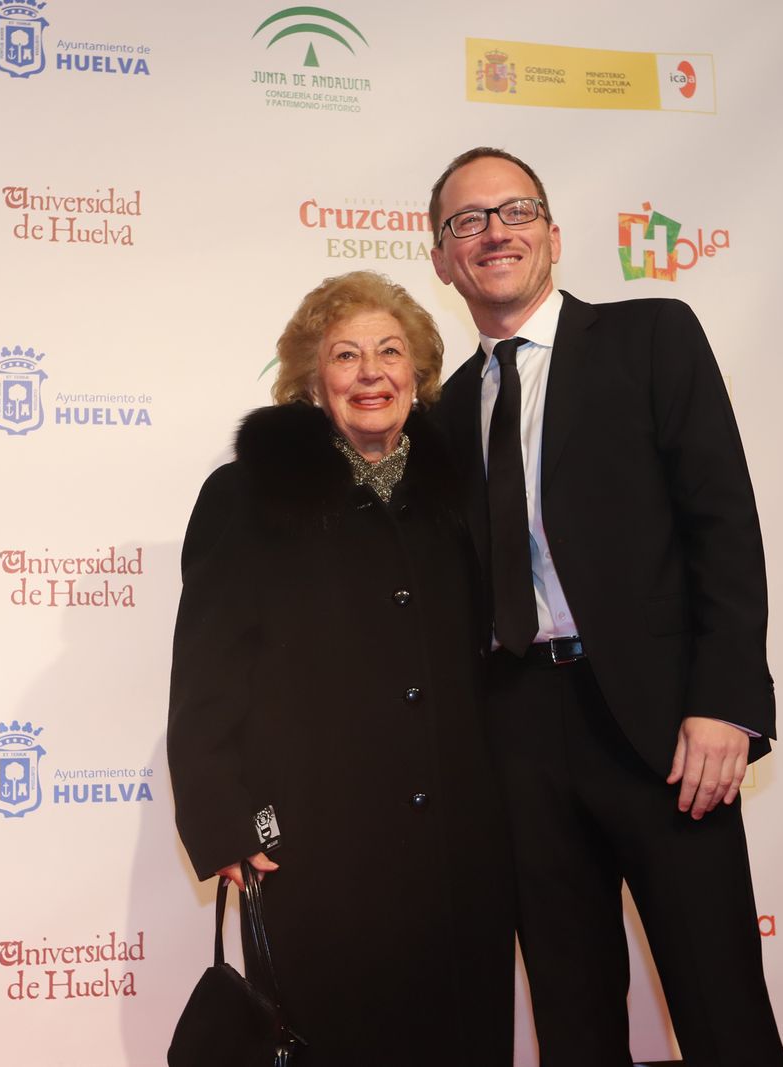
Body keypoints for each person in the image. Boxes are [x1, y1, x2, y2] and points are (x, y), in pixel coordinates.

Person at [426, 147, 783, 1065]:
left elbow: (724, 524)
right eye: (467, 221)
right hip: (517, 738)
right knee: (573, 1020)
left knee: (723, 1013)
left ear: (553, 234)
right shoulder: (444, 412)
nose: (494, 231)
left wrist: (727, 701)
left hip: (667, 728)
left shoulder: (652, 336)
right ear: (441, 259)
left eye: (514, 211)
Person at [167, 270, 514, 1067]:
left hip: (459, 849)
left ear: (419, 374)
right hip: (319, 847)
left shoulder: (458, 493)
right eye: (346, 354)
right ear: (312, 380)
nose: (371, 372)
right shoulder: (248, 495)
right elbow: (208, 670)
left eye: (390, 352)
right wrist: (226, 818)